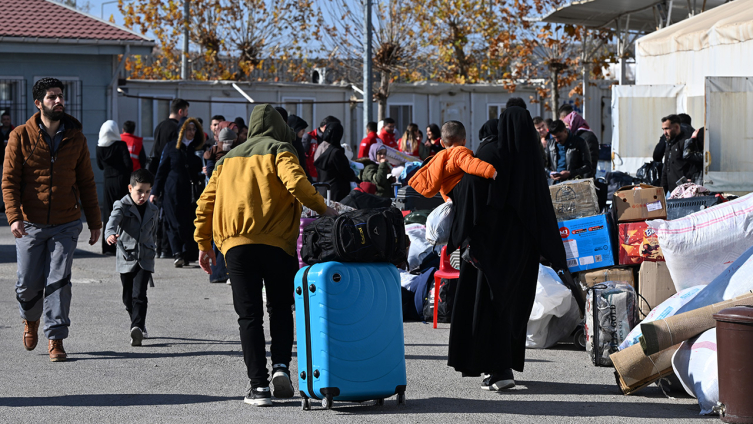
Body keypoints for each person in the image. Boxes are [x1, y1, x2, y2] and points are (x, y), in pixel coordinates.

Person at [194, 104, 336, 406]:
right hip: (277, 244)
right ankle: (281, 367)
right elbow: (297, 184)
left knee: (249, 316)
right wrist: (327, 211)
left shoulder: (227, 159)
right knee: (281, 308)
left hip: (236, 246)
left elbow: (206, 202)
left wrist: (203, 243)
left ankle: (258, 387)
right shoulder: (281, 149)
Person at [446, 110, 584, 392]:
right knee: (513, 308)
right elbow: (541, 211)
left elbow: (469, 192)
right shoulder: (530, 160)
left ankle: (494, 368)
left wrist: (463, 238)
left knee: (487, 306)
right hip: (522, 251)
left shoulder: (491, 153)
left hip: (490, 248)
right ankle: (504, 366)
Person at [2, 77, 102, 362]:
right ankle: (30, 320)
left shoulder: (76, 138)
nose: (58, 100)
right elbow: (9, 181)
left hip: (66, 222)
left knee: (59, 280)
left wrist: (95, 222)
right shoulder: (20, 136)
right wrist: (13, 217)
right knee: (27, 283)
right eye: (51, 97)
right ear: (38, 103)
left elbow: (86, 182)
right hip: (30, 222)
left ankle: (55, 337)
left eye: (60, 96)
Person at [104, 169, 158, 346]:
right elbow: (112, 223)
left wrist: (154, 248)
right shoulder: (122, 205)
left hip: (145, 257)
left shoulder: (153, 209)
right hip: (127, 256)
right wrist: (110, 234)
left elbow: (153, 232)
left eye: (147, 191)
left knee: (139, 294)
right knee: (128, 297)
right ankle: (137, 322)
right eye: (139, 191)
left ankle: (137, 328)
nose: (143, 195)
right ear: (130, 188)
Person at [152, 118, 205, 268]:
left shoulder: (196, 150)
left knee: (187, 223)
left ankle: (185, 253)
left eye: (194, 129)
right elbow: (161, 171)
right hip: (172, 191)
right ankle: (177, 253)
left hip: (189, 193)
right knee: (173, 222)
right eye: (188, 129)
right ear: (181, 131)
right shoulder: (170, 147)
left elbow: (196, 173)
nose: (191, 132)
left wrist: (203, 173)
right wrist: (155, 191)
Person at [408, 121, 497, 201]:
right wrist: (490, 171)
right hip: (458, 193)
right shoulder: (459, 153)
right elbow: (471, 164)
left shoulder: (440, 156)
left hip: (446, 194)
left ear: (442, 143)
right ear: (464, 141)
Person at [150, 99, 189, 259]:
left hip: (159, 173)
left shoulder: (160, 126)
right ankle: (169, 249)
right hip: (170, 177)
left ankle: (161, 248)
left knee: (162, 216)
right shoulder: (175, 129)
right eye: (186, 111)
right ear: (180, 111)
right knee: (171, 216)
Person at [97, 120, 133, 255]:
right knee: (123, 212)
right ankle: (124, 245)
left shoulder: (100, 147)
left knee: (108, 213)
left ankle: (107, 247)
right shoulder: (121, 145)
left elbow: (100, 166)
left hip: (108, 182)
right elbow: (128, 164)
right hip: (121, 180)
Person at [313, 121, 359, 202]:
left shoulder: (322, 149)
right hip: (337, 194)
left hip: (323, 192)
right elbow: (346, 172)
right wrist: (356, 178)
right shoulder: (336, 153)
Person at [659, 114, 702, 193]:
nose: (664, 132)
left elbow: (695, 162)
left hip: (684, 191)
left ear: (677, 127)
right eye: (663, 129)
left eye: (667, 129)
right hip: (671, 190)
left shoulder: (687, 141)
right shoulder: (669, 143)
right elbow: (666, 168)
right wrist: (662, 191)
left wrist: (690, 178)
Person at [302, 116, 340, 181]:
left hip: (325, 178)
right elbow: (303, 158)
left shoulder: (331, 138)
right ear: (326, 127)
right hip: (311, 178)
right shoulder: (309, 137)